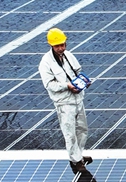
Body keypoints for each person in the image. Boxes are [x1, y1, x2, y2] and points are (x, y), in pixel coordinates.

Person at [39, 28, 92, 173]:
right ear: (51, 45)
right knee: (70, 132)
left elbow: (78, 71)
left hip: (78, 98)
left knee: (82, 129)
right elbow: (49, 85)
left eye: (63, 44)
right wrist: (67, 86)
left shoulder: (69, 55)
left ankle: (79, 155)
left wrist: (84, 81)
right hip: (64, 102)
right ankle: (75, 160)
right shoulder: (46, 62)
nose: (61, 48)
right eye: (57, 46)